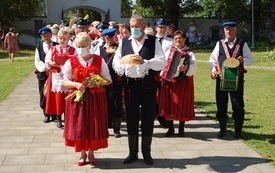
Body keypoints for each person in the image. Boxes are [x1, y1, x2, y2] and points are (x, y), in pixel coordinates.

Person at [112, 12, 165, 165]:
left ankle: (146, 152)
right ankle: (132, 152)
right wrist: (122, 65)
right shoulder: (124, 42)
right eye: (132, 26)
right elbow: (116, 61)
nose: (134, 29)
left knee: (148, 119)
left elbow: (162, 62)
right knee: (131, 119)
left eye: (137, 26)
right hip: (130, 86)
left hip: (147, 86)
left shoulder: (153, 41)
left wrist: (146, 63)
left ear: (143, 26)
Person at [62, 32, 112, 166]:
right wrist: (76, 84)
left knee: (93, 125)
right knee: (80, 126)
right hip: (78, 99)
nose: (81, 48)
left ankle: (91, 152)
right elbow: (64, 81)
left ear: (89, 45)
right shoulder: (70, 61)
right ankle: (82, 153)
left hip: (95, 98)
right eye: (79, 45)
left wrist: (97, 81)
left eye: (84, 45)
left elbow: (108, 80)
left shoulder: (99, 59)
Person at [209, 21, 253, 139]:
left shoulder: (242, 44)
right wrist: (213, 71)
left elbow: (251, 59)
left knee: (238, 105)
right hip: (222, 79)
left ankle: (238, 131)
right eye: (227, 29)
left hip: (237, 80)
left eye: (232, 29)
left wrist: (243, 60)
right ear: (224, 31)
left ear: (236, 30)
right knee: (221, 105)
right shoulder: (220, 44)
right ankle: (222, 130)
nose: (229, 31)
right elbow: (212, 60)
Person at [159, 30, 197, 137]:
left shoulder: (189, 53)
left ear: (184, 39)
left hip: (183, 82)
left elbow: (194, 67)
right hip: (169, 82)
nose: (177, 40)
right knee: (169, 104)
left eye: (180, 38)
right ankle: (170, 129)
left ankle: (181, 128)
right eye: (175, 39)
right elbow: (163, 63)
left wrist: (185, 68)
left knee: (182, 104)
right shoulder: (169, 51)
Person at [45, 27, 75, 128]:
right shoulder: (53, 49)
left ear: (68, 39)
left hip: (67, 77)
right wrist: (51, 63)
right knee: (57, 98)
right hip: (56, 76)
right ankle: (58, 118)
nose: (62, 40)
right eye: (60, 38)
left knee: (67, 98)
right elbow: (47, 61)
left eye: (64, 39)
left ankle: (68, 118)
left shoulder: (72, 50)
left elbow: (76, 62)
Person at [100, 28, 123, 138]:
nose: (109, 39)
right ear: (104, 37)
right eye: (107, 37)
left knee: (116, 105)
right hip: (103, 81)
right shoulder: (100, 48)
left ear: (114, 37)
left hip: (115, 81)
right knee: (105, 104)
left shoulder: (120, 48)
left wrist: (115, 52)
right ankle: (107, 126)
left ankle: (117, 129)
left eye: (111, 37)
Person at [34, 26, 58, 123]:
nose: (46, 38)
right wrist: (44, 68)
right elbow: (37, 60)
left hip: (55, 73)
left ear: (51, 35)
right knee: (44, 94)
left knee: (54, 93)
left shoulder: (57, 45)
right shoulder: (39, 46)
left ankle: (56, 114)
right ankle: (46, 114)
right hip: (43, 74)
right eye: (44, 36)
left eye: (47, 36)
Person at [154, 18, 174, 128]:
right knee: (152, 95)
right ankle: (152, 115)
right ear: (156, 28)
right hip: (153, 71)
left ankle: (162, 117)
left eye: (163, 27)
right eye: (160, 27)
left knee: (163, 95)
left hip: (165, 72)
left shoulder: (170, 41)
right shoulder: (151, 39)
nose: (161, 29)